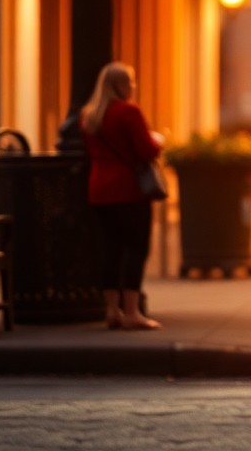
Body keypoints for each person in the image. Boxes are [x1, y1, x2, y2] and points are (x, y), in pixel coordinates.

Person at [79, 62, 165, 331]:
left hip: (99, 190)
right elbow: (147, 150)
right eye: (131, 82)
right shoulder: (129, 112)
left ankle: (111, 310)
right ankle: (132, 312)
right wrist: (158, 141)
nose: (133, 87)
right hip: (129, 190)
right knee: (136, 249)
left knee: (110, 250)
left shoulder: (88, 116)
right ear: (120, 85)